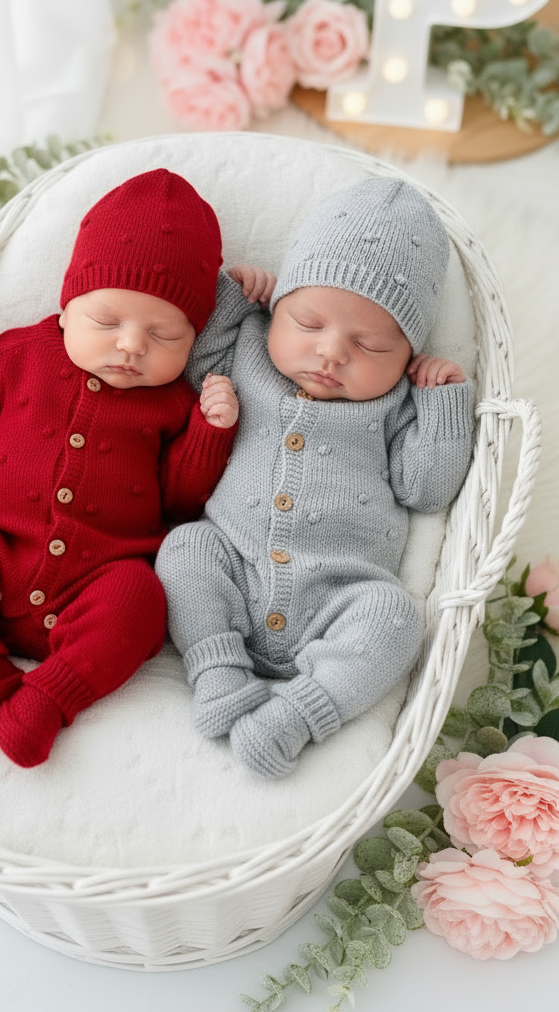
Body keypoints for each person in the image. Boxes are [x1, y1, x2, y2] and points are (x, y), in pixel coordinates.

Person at [0, 169, 240, 768]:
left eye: (163, 334)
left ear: (193, 340)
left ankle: (48, 698)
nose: (132, 345)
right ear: (65, 308)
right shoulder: (22, 354)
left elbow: (181, 502)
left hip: (99, 580)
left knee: (141, 600)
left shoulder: (174, 402)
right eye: (108, 323)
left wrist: (210, 434)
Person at [156, 177, 475, 778]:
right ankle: (218, 671)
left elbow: (426, 489)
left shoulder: (398, 403)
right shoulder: (247, 350)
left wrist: (443, 404)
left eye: (370, 345)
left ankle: (294, 717)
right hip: (235, 564)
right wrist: (234, 299)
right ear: (278, 310)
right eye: (308, 324)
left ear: (407, 356)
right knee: (185, 546)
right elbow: (196, 365)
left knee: (396, 616)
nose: (331, 353)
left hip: (340, 596)